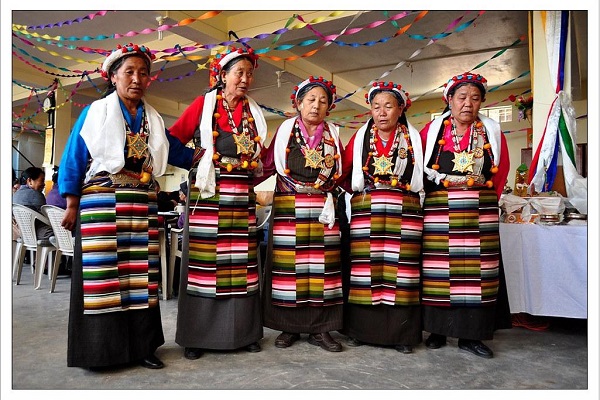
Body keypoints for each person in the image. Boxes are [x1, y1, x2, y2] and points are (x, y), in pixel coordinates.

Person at [58, 42, 183, 370]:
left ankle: (142, 348)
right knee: (105, 279)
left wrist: (211, 150)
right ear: (113, 76)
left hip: (141, 205)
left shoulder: (152, 119)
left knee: (140, 279)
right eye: (129, 71)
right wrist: (71, 203)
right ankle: (101, 352)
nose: (137, 78)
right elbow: (74, 156)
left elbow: (176, 151)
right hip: (102, 201)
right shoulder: (95, 113)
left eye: (143, 73)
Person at [167, 46, 267, 360]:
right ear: (222, 75)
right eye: (239, 72)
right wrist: (199, 159)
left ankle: (244, 333)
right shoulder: (204, 105)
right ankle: (198, 336)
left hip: (241, 198)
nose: (246, 79)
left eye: (250, 73)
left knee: (242, 264)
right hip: (209, 195)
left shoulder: (253, 112)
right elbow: (170, 143)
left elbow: (261, 156)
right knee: (205, 265)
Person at [420, 72, 512, 359]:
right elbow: (418, 169)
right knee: (439, 271)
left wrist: (485, 199)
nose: (467, 104)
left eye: (475, 98)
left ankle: (471, 336)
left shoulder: (491, 131)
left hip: (478, 211)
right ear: (449, 99)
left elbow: (502, 168)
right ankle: (437, 330)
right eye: (461, 97)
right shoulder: (432, 130)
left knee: (477, 273)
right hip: (439, 209)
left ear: (482, 102)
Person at [260, 76, 345, 352]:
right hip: (289, 207)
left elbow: (344, 172)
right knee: (288, 270)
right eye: (311, 100)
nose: (316, 106)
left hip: (322, 209)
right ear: (298, 103)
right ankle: (290, 327)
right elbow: (267, 165)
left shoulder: (333, 133)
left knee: (323, 270)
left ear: (329, 107)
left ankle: (321, 330)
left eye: (323, 101)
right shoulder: (286, 130)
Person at [339, 81, 424, 354]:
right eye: (376, 107)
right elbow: (342, 171)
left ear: (401, 108)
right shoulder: (361, 138)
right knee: (366, 270)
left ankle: (402, 335)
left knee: (402, 272)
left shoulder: (414, 139)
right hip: (368, 209)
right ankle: (361, 331)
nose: (382, 112)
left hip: (404, 209)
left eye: (388, 106)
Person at [13, 166, 53, 239]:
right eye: (42, 180)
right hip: (37, 233)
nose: (44, 184)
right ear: (30, 181)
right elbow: (47, 217)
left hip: (22, 234)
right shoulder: (36, 194)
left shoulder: (16, 194)